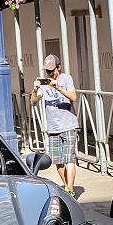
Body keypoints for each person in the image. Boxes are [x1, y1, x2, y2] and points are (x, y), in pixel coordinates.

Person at [31, 54, 78, 197]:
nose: (50, 73)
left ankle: (70, 189)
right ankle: (66, 186)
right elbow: (33, 101)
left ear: (59, 67)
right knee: (58, 161)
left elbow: (73, 97)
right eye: (47, 71)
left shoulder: (66, 78)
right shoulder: (43, 83)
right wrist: (35, 89)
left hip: (68, 124)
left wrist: (58, 87)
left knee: (69, 158)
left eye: (52, 70)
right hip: (53, 127)